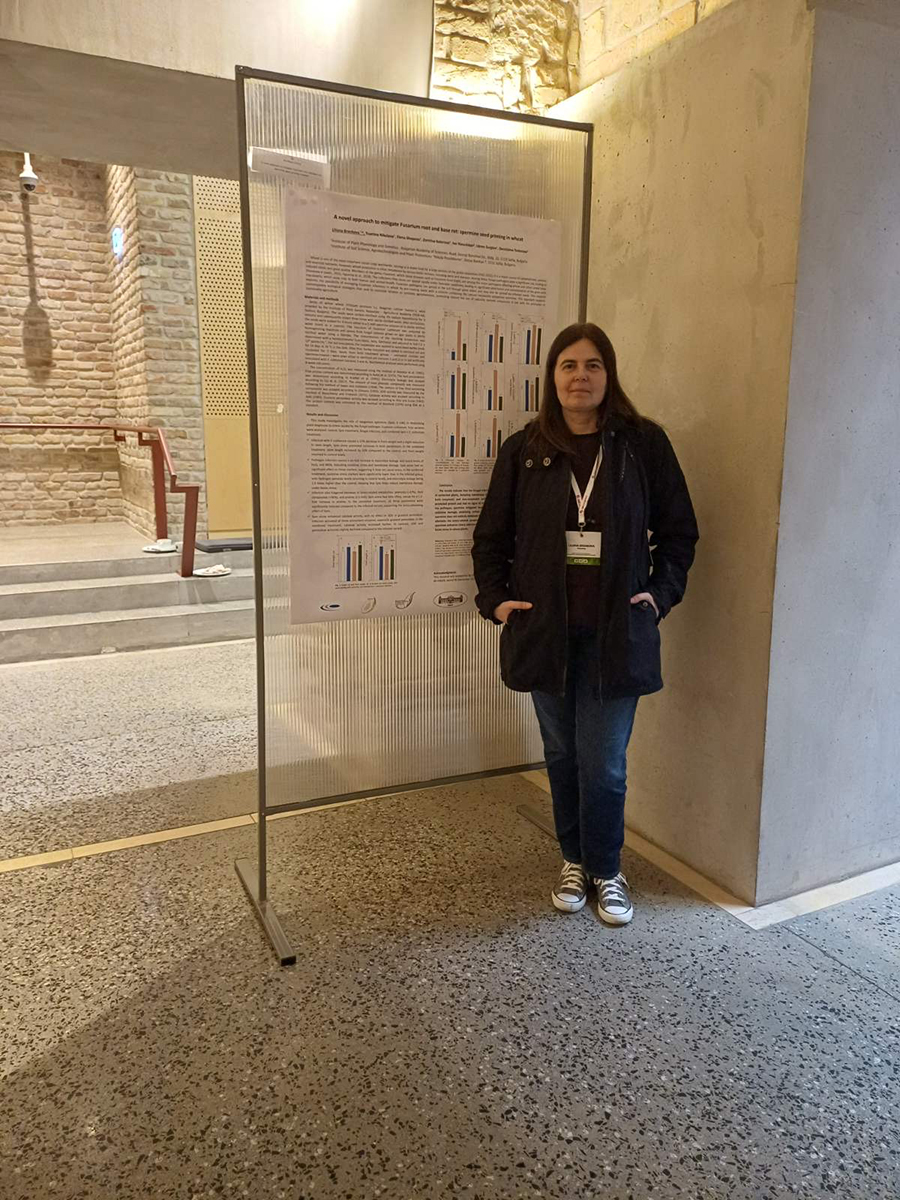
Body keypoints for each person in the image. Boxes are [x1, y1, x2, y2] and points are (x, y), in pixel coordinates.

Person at [472, 322, 698, 926]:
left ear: (608, 374)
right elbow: (490, 539)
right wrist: (496, 602)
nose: (580, 376)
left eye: (593, 365)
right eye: (568, 365)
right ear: (552, 377)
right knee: (561, 752)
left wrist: (660, 595)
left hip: (615, 632)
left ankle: (607, 868)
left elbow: (679, 533)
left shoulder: (643, 444)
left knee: (605, 763)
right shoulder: (525, 450)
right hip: (546, 630)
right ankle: (573, 859)